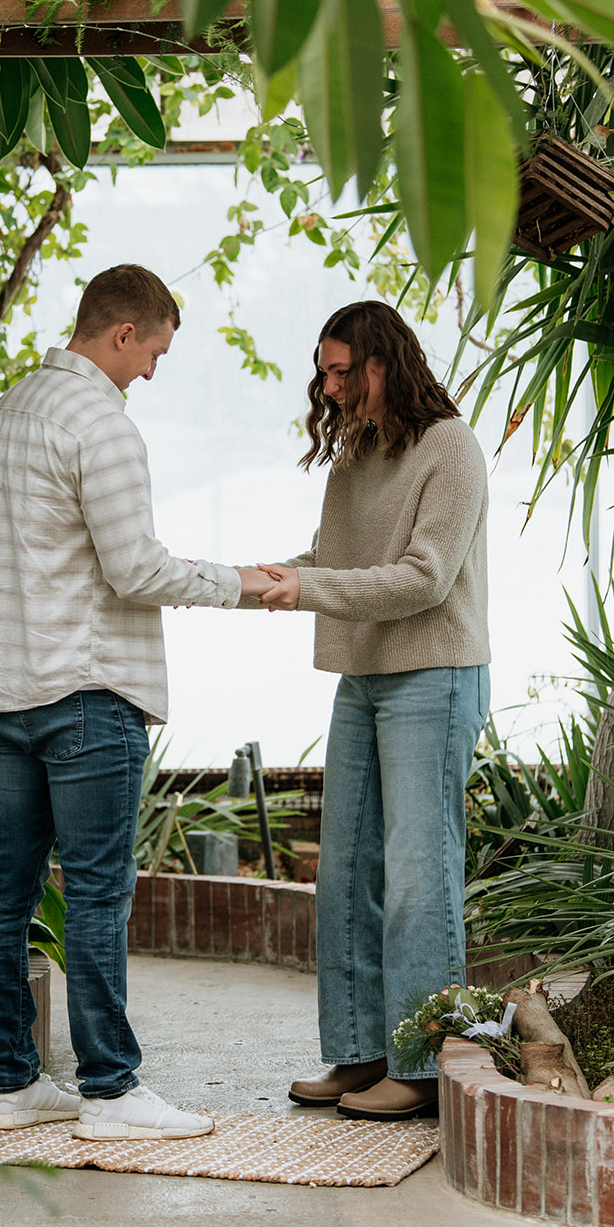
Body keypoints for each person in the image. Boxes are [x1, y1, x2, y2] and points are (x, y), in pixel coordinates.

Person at [0, 264, 275, 1140]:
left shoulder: (12, 408)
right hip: (85, 693)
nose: (152, 373)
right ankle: (110, 1092)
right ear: (123, 332)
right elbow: (136, 569)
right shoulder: (101, 424)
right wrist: (245, 582)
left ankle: (14, 1087)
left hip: (3, 688)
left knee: (7, 887)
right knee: (97, 895)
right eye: (155, 352)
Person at [257, 300, 490, 1121]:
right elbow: (332, 562)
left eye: (343, 369)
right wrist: (256, 581)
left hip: (434, 674)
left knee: (420, 877)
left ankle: (423, 1065)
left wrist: (308, 586)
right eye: (324, 370)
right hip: (363, 676)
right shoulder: (356, 452)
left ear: (386, 361)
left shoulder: (449, 449)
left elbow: (424, 576)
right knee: (346, 869)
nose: (330, 385)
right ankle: (360, 1052)